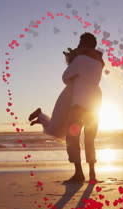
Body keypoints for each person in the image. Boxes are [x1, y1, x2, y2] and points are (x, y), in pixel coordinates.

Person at [29, 33, 104, 184]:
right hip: (95, 105)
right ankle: (93, 175)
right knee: (90, 139)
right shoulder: (100, 62)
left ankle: (78, 174)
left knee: (72, 139)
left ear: (82, 44)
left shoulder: (80, 59)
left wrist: (72, 63)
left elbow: (65, 77)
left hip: (80, 105)